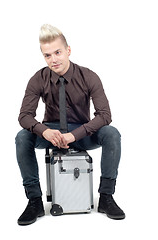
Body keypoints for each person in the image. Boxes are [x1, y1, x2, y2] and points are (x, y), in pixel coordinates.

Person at [15, 24, 125, 226]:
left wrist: (75, 135)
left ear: (68, 50)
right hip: (51, 133)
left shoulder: (89, 76)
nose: (53, 59)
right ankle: (34, 201)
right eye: (47, 55)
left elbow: (105, 115)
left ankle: (106, 197)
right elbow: (25, 116)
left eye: (57, 52)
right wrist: (45, 131)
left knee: (112, 133)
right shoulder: (38, 79)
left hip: (82, 134)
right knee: (22, 137)